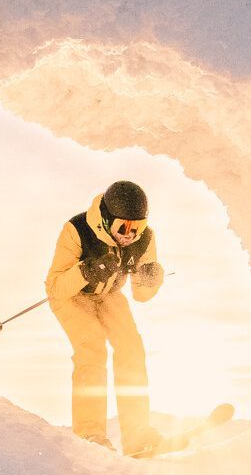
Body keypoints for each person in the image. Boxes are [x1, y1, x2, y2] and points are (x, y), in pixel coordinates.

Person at [45, 179, 164, 454]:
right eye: (123, 226)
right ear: (107, 219)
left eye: (137, 227)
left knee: (132, 348)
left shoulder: (145, 239)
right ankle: (90, 435)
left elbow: (142, 296)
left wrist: (151, 279)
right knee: (92, 348)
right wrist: (85, 272)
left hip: (109, 294)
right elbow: (55, 287)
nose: (130, 235)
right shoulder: (76, 230)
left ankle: (137, 437)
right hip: (72, 297)